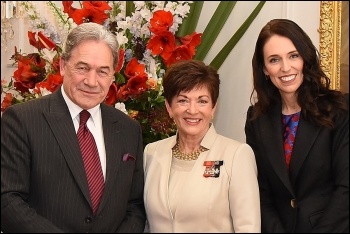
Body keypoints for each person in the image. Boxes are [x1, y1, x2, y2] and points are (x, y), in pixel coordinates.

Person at [1, 22, 146, 232]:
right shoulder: (22, 120)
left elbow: (134, 206)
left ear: (113, 76)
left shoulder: (129, 129)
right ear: (62, 66)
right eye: (82, 68)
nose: (91, 81)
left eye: (102, 71)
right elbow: (7, 199)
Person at [245, 18, 349, 233]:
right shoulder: (256, 120)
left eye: (293, 56)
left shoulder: (339, 109)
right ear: (264, 69)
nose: (285, 67)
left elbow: (346, 190)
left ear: (305, 58)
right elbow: (260, 192)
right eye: (274, 60)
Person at [143, 60, 261, 233]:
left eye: (202, 101)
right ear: (169, 107)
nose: (192, 110)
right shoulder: (151, 153)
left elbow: (248, 228)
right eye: (183, 100)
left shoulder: (236, 155)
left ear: (213, 107)